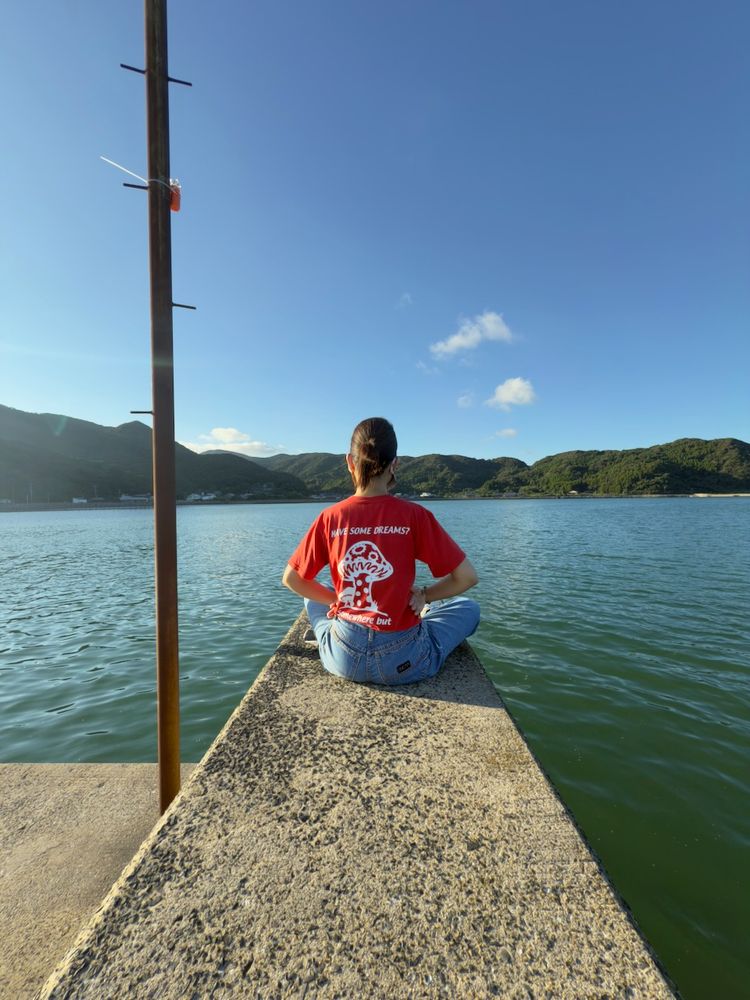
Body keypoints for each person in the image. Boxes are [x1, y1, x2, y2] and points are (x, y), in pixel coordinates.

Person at [282, 417, 480, 685]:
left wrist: (335, 602)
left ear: (350, 462)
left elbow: (292, 579)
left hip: (344, 658)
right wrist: (424, 595)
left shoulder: (330, 517)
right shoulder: (415, 515)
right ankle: (422, 612)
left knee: (315, 595)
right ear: (395, 464)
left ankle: (329, 627)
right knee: (468, 608)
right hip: (402, 660)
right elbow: (467, 577)